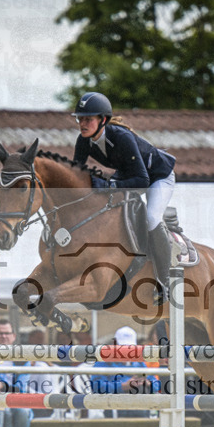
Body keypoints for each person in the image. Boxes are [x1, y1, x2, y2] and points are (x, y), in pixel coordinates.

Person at [71, 91, 177, 303]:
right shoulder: (83, 141)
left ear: (102, 120)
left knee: (151, 218)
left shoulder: (121, 137)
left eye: (88, 119)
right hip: (130, 175)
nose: (83, 123)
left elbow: (142, 180)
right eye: (80, 118)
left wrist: (109, 184)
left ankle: (165, 281)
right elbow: (76, 175)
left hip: (157, 177)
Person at [88, 326, 159, 420]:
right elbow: (96, 386)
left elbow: (156, 383)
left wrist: (148, 383)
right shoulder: (104, 361)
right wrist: (123, 386)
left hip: (139, 408)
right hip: (115, 410)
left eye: (130, 348)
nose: (127, 351)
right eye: (123, 347)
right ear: (115, 345)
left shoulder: (139, 362)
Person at [0, 319, 32, 427]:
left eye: (7, 333)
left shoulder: (23, 359)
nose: (4, 336)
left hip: (17, 400)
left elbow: (20, 389)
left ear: (14, 336)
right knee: (6, 411)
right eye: (0, 333)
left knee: (22, 411)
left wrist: (2, 387)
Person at [24, 329, 63, 420]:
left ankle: (52, 399)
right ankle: (47, 399)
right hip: (29, 388)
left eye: (42, 339)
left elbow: (51, 365)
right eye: (38, 338)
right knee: (42, 366)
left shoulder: (44, 351)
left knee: (54, 368)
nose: (40, 341)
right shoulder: (24, 350)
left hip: (46, 388)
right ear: (30, 339)